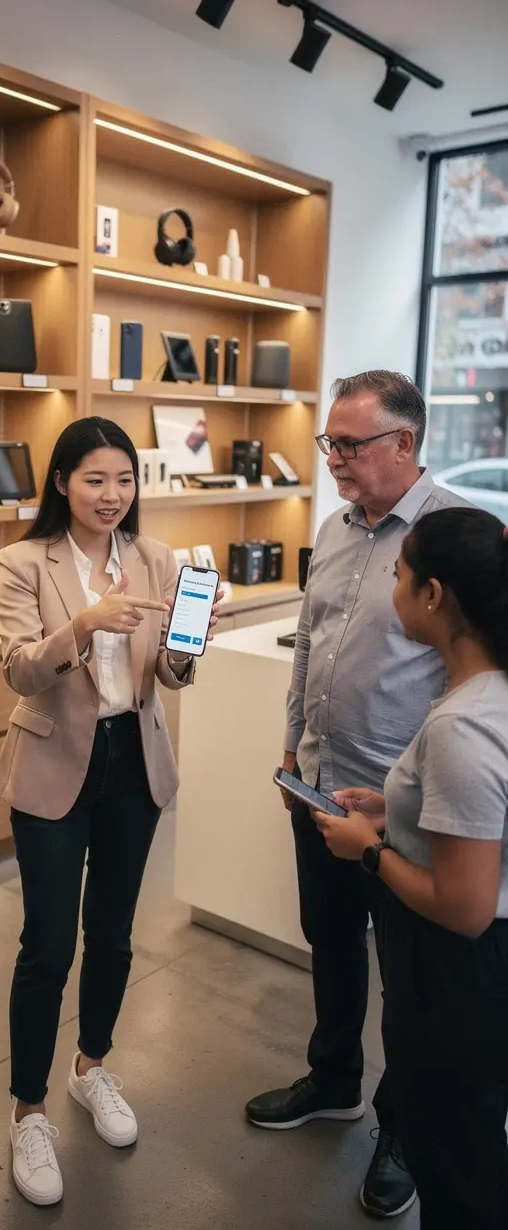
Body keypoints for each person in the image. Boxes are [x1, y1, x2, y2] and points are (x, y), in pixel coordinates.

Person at [245, 371, 469, 1220]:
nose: (333, 459)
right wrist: (292, 740)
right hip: (320, 785)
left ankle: (401, 1129)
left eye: (350, 443)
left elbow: (473, 673)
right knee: (330, 942)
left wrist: (410, 790)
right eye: (329, 442)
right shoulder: (337, 529)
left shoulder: (455, 537)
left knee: (408, 980)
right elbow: (311, 640)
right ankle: (334, 1076)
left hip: (403, 806)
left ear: (404, 445)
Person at [0, 417, 221, 1206]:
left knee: (115, 936)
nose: (112, 495)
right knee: (48, 945)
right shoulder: (23, 561)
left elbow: (168, 673)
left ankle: (91, 1067)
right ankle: (28, 1111)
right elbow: (21, 672)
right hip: (55, 762)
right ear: (62, 482)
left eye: (124, 480)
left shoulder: (159, 559)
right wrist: (84, 624)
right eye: (95, 479)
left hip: (133, 762)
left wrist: (189, 646)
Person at [315, 508, 508, 1230]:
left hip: (457, 972)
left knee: (455, 1167)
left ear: (432, 596)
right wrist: (395, 808)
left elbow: (464, 904)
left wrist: (367, 847)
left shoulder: (463, 725)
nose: (389, 590)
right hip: (473, 975)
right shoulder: (482, 700)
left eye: (398, 577)